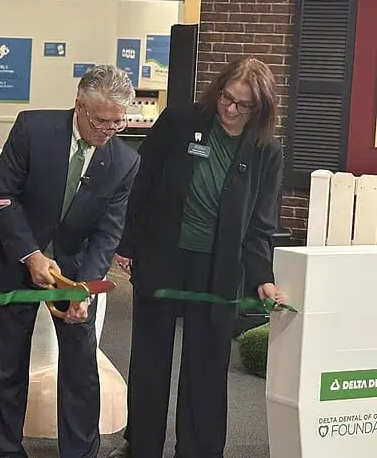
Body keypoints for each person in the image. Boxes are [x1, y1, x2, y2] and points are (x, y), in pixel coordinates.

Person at [107, 57, 288, 458]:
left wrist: (262, 275)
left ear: (259, 108)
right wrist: (127, 243)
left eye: (242, 105)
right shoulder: (179, 121)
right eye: (226, 97)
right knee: (150, 360)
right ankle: (141, 446)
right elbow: (141, 182)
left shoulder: (266, 150)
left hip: (218, 270)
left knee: (207, 366)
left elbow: (260, 223)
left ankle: (199, 449)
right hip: (163, 257)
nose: (230, 109)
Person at [0, 65, 140, 458]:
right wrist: (31, 255)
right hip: (13, 259)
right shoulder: (33, 128)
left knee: (81, 366)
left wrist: (85, 288)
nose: (109, 130)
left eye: (118, 122)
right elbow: (3, 197)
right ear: (80, 106)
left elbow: (107, 233)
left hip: (74, 270)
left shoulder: (125, 161)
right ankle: (7, 450)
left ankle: (80, 453)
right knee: (8, 365)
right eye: (101, 121)